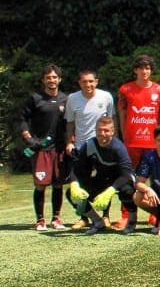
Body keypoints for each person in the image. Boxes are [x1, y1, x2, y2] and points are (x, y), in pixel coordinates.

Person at [19, 64, 69, 231]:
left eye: (54, 77)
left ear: (59, 79)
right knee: (40, 185)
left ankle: (56, 218)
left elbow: (70, 123)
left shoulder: (66, 99)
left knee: (58, 184)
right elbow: (22, 119)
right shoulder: (35, 99)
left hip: (59, 149)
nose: (52, 80)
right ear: (43, 80)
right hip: (41, 149)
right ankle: (40, 220)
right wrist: (28, 138)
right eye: (48, 77)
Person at [65, 69, 118, 229]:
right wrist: (69, 141)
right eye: (84, 81)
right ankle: (85, 217)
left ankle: (106, 216)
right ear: (79, 83)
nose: (88, 84)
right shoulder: (72, 99)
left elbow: (111, 119)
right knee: (78, 184)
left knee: (105, 180)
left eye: (90, 81)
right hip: (82, 148)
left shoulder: (106, 96)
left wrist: (113, 141)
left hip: (102, 147)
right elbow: (70, 123)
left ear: (96, 81)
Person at [70, 117, 136, 235]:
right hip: (101, 179)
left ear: (112, 132)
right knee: (71, 193)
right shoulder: (89, 145)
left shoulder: (118, 147)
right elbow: (76, 168)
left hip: (119, 180)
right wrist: (75, 184)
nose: (102, 134)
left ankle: (132, 221)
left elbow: (126, 174)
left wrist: (110, 191)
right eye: (99, 130)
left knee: (127, 191)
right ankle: (97, 222)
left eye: (106, 131)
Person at [117, 55, 160, 170]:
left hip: (151, 141)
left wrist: (159, 135)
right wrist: (124, 135)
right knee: (130, 173)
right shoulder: (125, 89)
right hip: (132, 141)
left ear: (151, 70)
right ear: (135, 70)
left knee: (151, 173)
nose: (144, 71)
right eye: (141, 68)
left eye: (147, 68)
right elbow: (122, 115)